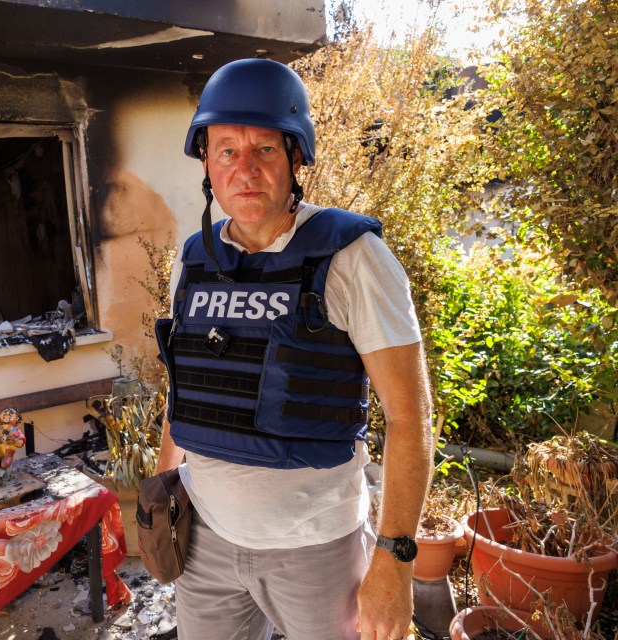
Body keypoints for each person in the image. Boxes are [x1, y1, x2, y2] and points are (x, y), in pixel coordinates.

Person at [153, 58, 434, 640]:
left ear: (297, 156)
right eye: (227, 150)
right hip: (205, 543)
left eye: (265, 150)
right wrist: (162, 490)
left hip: (318, 552)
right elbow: (186, 386)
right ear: (206, 162)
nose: (245, 170)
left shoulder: (353, 259)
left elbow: (410, 418)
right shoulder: (194, 261)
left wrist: (395, 559)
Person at [0, 407, 26, 478]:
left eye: (11, 414)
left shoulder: (14, 429)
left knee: (11, 448)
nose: (7, 415)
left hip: (8, 448)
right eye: (5, 414)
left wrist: (13, 440)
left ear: (17, 418)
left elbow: (20, 441)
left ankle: (7, 458)